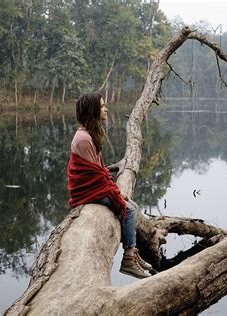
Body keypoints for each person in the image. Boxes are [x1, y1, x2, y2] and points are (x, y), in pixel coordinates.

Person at [67, 92, 151, 279]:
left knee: (133, 207)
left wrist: (115, 191)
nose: (106, 109)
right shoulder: (83, 139)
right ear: (93, 110)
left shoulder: (89, 134)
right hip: (86, 191)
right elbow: (94, 176)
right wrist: (116, 193)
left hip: (93, 186)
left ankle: (134, 250)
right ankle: (128, 259)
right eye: (103, 106)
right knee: (128, 210)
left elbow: (100, 169)